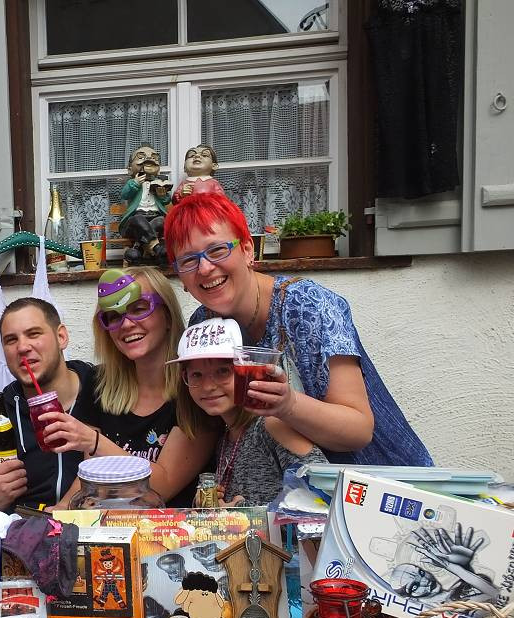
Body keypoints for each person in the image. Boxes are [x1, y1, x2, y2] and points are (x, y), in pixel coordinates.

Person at [163, 192, 432, 466]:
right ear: (180, 276)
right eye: (188, 260)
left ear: (247, 251)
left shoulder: (309, 305)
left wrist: (287, 405)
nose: (205, 268)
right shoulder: (204, 324)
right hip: (299, 496)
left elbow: (359, 430)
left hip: (381, 485)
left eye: (217, 250)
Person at [43, 268, 217, 508]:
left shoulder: (197, 387)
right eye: (113, 316)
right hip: (109, 530)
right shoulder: (99, 384)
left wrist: (94, 441)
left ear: (167, 316)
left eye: (139, 309)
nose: (125, 324)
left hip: (169, 536)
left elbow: (160, 488)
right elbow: (90, 482)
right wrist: (61, 510)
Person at [170, 318, 327, 508]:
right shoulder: (225, 437)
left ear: (249, 370)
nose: (208, 386)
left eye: (222, 371)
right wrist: (209, 504)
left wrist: (242, 511)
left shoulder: (271, 425)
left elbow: (323, 496)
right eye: (196, 375)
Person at [0, 298, 96, 513]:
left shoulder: (104, 394)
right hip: (23, 538)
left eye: (34, 334)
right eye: (10, 340)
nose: (22, 347)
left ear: (61, 337)